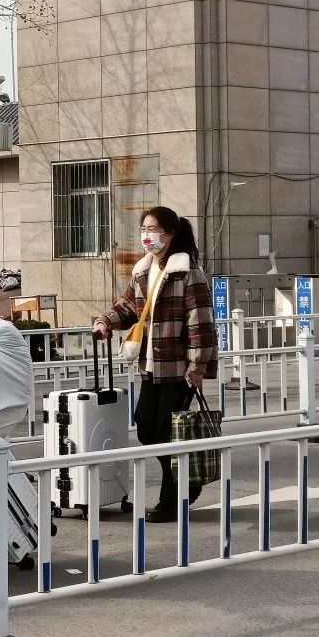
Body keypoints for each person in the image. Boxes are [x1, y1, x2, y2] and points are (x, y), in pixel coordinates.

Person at [92, 206, 218, 523]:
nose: (147, 236)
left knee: (166, 430)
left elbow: (200, 322)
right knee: (147, 426)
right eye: (144, 229)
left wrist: (197, 365)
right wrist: (106, 321)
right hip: (151, 364)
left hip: (179, 367)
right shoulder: (144, 270)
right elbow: (128, 306)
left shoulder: (188, 273)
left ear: (170, 234)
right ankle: (187, 481)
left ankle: (173, 500)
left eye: (153, 229)